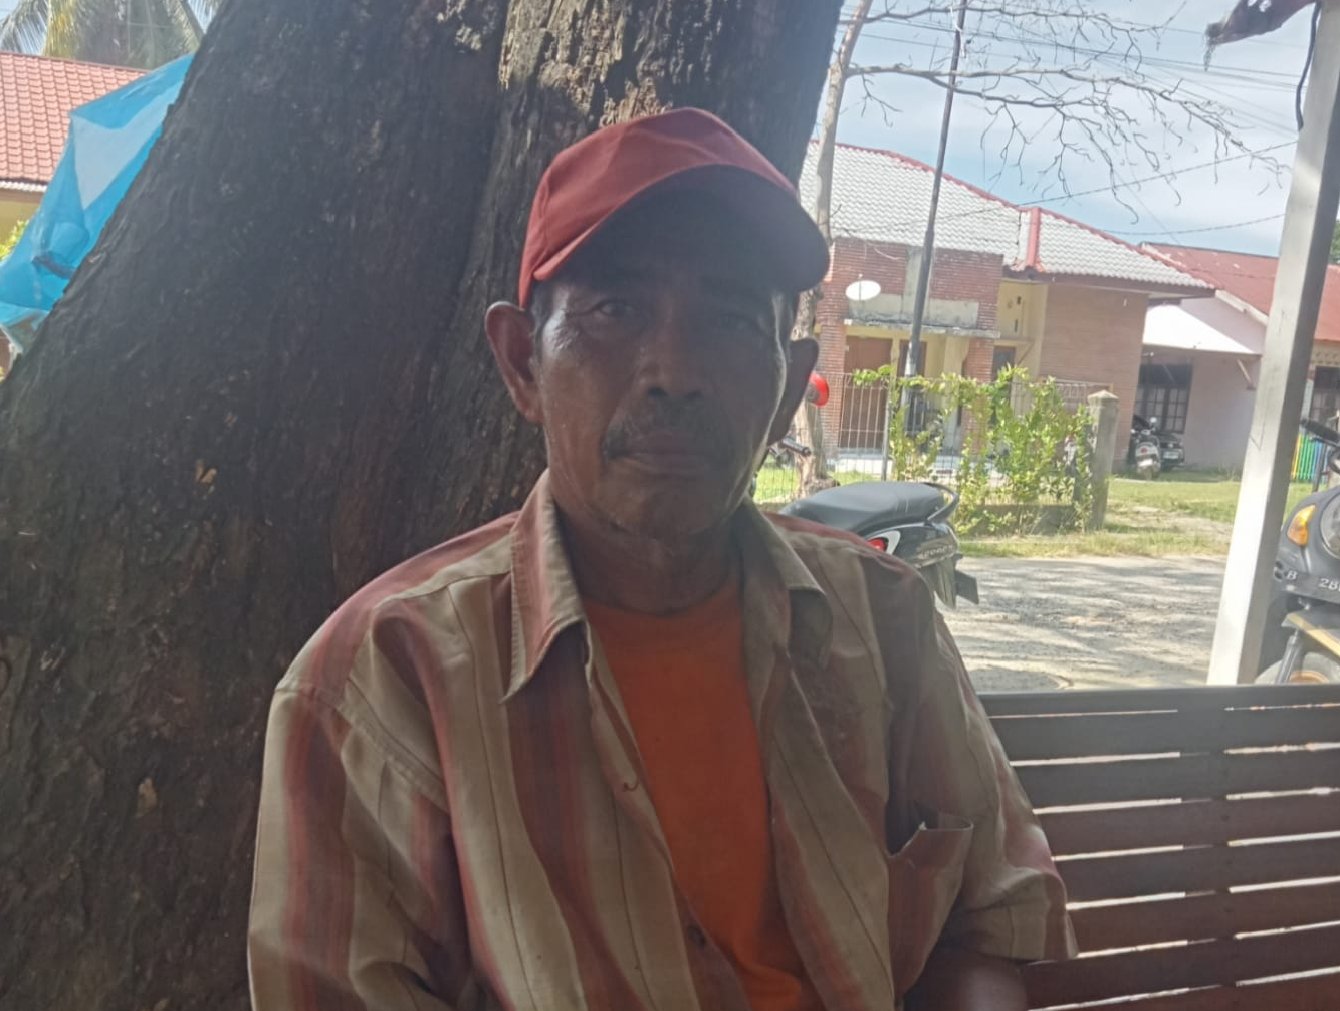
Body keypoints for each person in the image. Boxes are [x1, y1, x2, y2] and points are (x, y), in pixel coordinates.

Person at [247, 108, 1075, 1011]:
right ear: (522, 363)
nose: (674, 371)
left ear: (788, 387)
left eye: (731, 318)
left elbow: (990, 919)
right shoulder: (379, 683)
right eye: (616, 309)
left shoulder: (886, 621)